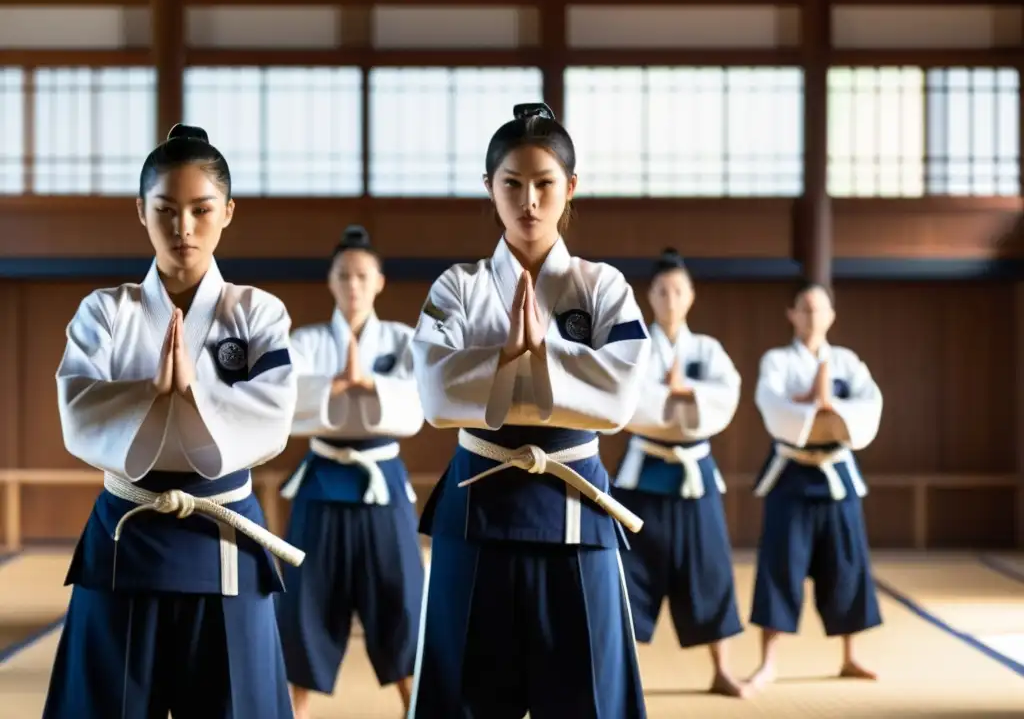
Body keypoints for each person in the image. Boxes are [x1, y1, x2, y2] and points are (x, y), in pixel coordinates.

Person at [43, 124, 303, 719]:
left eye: (200, 209)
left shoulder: (257, 311)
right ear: (141, 211)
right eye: (166, 209)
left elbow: (273, 414)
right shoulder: (106, 312)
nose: (183, 227)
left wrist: (193, 394)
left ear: (228, 212)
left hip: (224, 532)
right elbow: (78, 408)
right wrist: (150, 393)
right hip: (126, 531)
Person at [406, 102, 651, 719]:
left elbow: (620, 394)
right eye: (511, 184)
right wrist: (526, 360)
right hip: (477, 502)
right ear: (489, 188)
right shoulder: (457, 286)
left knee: (590, 695)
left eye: (544, 184)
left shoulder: (602, 287)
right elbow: (435, 392)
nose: (529, 201)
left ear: (570, 188)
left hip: (576, 506)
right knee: (463, 692)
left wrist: (530, 360)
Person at [276, 225, 426, 718]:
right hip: (322, 483)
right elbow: (283, 399)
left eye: (363, 276)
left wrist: (366, 385)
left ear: (379, 282)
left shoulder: (403, 339)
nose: (354, 285)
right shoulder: (308, 341)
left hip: (383, 483)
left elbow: (417, 406)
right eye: (345, 275)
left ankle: (417, 706)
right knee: (305, 608)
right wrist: (339, 387)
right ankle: (293, 710)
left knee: (403, 605)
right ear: (331, 281)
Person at [611, 248, 747, 697]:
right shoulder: (634, 347)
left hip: (695, 473)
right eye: (663, 291)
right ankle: (621, 673)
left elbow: (726, 395)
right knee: (628, 572)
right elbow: (625, 400)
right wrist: (680, 400)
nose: (670, 299)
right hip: (643, 472)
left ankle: (722, 667)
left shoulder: (707, 349)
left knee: (711, 568)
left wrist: (682, 393)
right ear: (649, 296)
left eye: (678, 291)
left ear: (691, 296)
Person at [746, 280, 883, 689]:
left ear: (832, 316)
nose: (812, 316)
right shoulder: (777, 361)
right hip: (790, 475)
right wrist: (815, 405)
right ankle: (768, 661)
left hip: (838, 476)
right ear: (791, 314)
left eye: (819, 309)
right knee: (779, 567)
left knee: (847, 565)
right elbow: (774, 407)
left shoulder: (847, 361)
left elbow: (868, 407)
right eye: (804, 309)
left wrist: (825, 408)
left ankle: (850, 656)